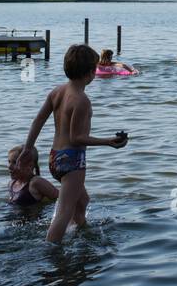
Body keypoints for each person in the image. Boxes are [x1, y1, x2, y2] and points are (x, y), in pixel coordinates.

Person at [21, 44, 128, 243]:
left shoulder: (57, 92)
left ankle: (79, 230)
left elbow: (38, 121)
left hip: (55, 158)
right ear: (90, 73)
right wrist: (109, 142)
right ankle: (51, 250)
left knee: (82, 200)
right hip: (72, 161)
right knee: (64, 211)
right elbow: (76, 137)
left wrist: (27, 148)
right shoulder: (81, 100)